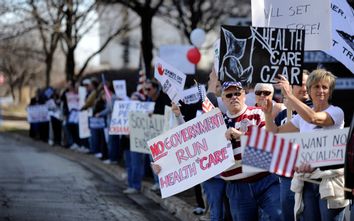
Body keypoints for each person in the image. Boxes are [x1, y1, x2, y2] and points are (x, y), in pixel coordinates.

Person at [261, 69, 349, 221]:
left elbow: (314, 118)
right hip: (307, 181)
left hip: (330, 183)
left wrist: (289, 96)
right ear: (309, 90)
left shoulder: (336, 112)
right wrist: (268, 114)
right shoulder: (301, 117)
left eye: (325, 87)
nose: (321, 90)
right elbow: (275, 132)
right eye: (316, 87)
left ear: (330, 91)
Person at [218, 81, 282, 221]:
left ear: (245, 96)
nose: (234, 97)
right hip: (237, 187)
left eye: (237, 93)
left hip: (265, 180)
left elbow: (269, 142)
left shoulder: (258, 113)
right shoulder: (217, 124)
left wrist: (242, 136)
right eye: (229, 95)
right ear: (222, 99)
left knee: (280, 216)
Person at [274, 70, 312, 221]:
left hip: (311, 177)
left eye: (307, 84)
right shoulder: (283, 114)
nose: (304, 87)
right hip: (287, 178)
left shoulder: (317, 109)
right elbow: (273, 140)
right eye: (300, 84)